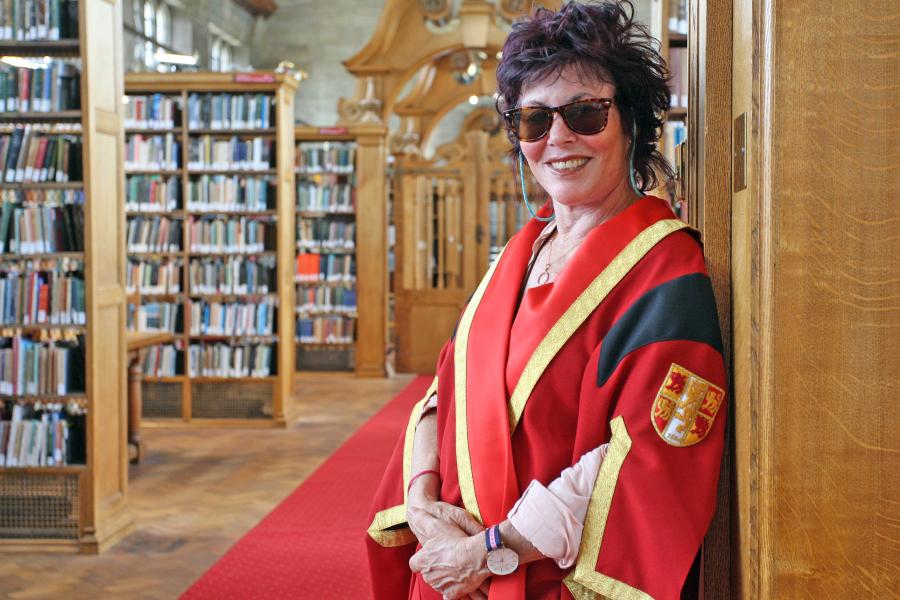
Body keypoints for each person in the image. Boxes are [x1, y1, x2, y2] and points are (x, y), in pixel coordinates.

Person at [366, 2, 727, 599]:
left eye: (585, 113)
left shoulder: (665, 269)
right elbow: (445, 390)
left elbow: (642, 456)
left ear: (631, 120)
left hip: (540, 577)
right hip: (452, 561)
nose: (558, 138)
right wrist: (423, 502)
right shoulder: (520, 252)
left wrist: (488, 551)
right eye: (534, 120)